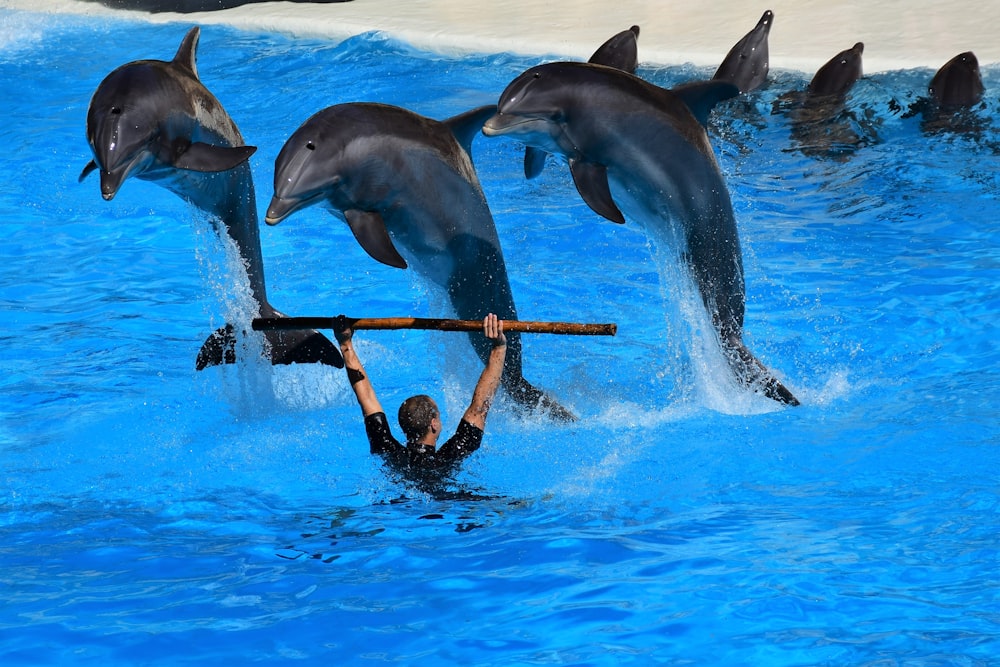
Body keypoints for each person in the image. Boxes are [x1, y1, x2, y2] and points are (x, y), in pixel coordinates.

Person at [333, 313, 507, 476]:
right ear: (433, 424)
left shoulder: (388, 451)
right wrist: (499, 347)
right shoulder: (450, 457)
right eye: (438, 416)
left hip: (400, 505)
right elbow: (479, 408)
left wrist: (345, 344)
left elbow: (367, 397)